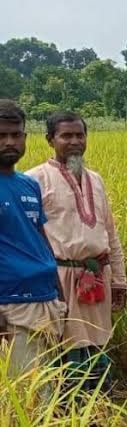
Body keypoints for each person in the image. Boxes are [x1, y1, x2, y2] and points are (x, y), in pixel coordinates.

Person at [27, 112, 127, 391]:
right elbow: (28, 240)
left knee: (97, 345)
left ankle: (99, 413)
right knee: (65, 353)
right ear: (50, 140)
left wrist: (119, 279)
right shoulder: (34, 181)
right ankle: (71, 418)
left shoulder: (95, 179)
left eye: (79, 135)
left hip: (98, 277)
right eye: (66, 136)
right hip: (59, 282)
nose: (74, 142)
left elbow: (110, 233)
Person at [0, 100, 66, 378]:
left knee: (48, 392)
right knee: (24, 401)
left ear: (25, 137)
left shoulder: (28, 184)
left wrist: (59, 294)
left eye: (16, 135)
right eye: (1, 135)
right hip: (11, 306)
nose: (9, 142)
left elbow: (39, 239)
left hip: (45, 300)